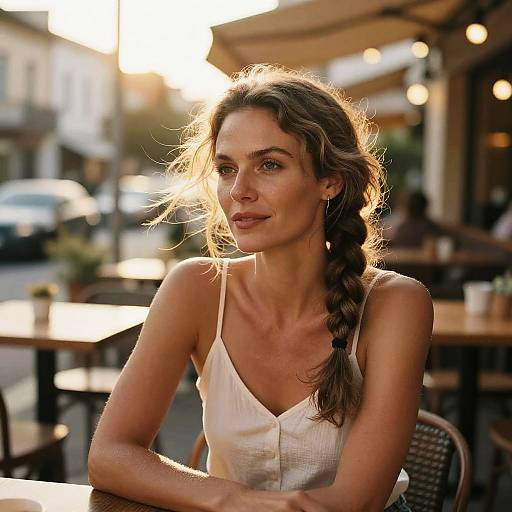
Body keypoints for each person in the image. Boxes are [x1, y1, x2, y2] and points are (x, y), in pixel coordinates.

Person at [88, 65, 433, 512]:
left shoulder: (397, 304)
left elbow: (355, 501)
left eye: (269, 165)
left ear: (331, 181)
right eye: (227, 168)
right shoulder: (195, 288)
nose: (239, 191)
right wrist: (231, 499)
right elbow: (109, 455)